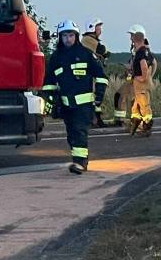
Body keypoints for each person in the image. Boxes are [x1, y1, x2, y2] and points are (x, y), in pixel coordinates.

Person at [39, 20, 109, 174]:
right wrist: (49, 98)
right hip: (66, 105)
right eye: (65, 36)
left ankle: (80, 163)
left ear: (76, 36)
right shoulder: (56, 58)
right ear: (60, 37)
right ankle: (80, 159)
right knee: (71, 135)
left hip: (84, 105)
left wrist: (99, 95)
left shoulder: (86, 54)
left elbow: (101, 76)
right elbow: (49, 82)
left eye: (71, 35)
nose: (68, 39)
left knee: (79, 131)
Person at [81, 17, 111, 128]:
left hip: (89, 70)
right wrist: (106, 53)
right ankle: (92, 118)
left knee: (93, 96)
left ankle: (96, 119)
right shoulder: (88, 40)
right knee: (102, 80)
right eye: (98, 27)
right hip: (87, 70)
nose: (100, 30)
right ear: (92, 28)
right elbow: (101, 50)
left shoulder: (89, 39)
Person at [128, 24, 155, 136]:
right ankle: (136, 123)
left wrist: (143, 77)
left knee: (143, 105)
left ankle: (147, 126)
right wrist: (149, 76)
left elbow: (143, 65)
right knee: (136, 104)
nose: (130, 38)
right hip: (141, 82)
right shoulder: (146, 51)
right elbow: (154, 63)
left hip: (140, 83)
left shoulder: (140, 52)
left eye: (132, 35)